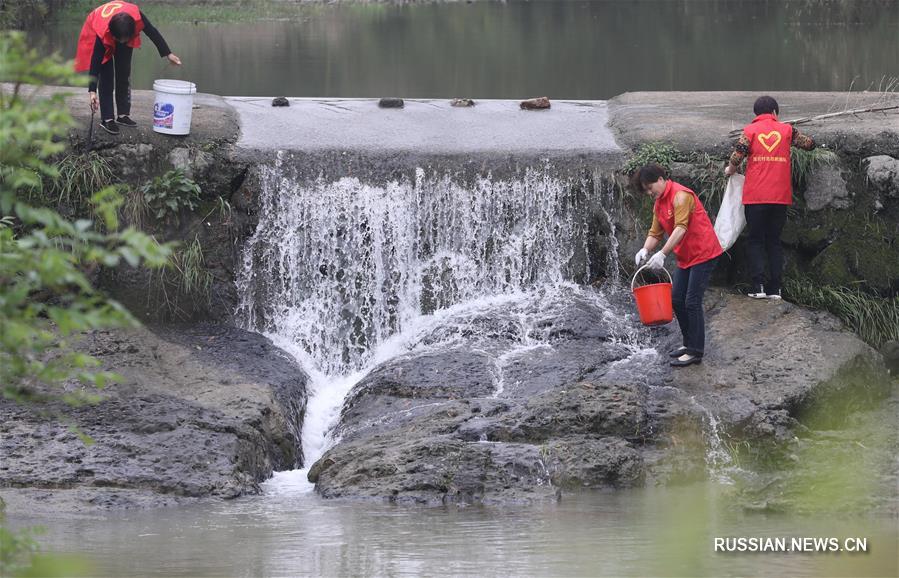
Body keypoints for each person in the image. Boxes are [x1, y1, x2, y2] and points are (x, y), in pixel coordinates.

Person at [724, 95, 816, 299]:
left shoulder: (750, 131)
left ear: (756, 114)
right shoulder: (787, 130)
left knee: (755, 240)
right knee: (774, 241)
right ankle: (776, 289)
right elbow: (810, 144)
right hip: (780, 197)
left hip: (755, 197)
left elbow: (737, 155)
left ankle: (758, 287)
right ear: (775, 112)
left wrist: (730, 170)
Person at [633, 164, 723, 367]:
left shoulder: (681, 196)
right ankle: (688, 343)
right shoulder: (659, 202)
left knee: (692, 301)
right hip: (686, 256)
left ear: (661, 179)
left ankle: (696, 351)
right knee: (676, 299)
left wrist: (663, 254)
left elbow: (681, 228)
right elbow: (655, 232)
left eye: (650, 187)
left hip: (703, 252)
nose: (649, 193)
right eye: (646, 190)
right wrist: (646, 250)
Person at [74, 1, 182, 135]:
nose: (122, 43)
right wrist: (92, 91)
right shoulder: (102, 33)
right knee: (106, 77)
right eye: (120, 40)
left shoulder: (136, 18)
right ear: (114, 36)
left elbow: (152, 32)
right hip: (99, 26)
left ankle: (123, 115)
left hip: (122, 29)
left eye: (125, 40)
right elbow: (95, 61)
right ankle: (107, 118)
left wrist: (168, 53)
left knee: (124, 72)